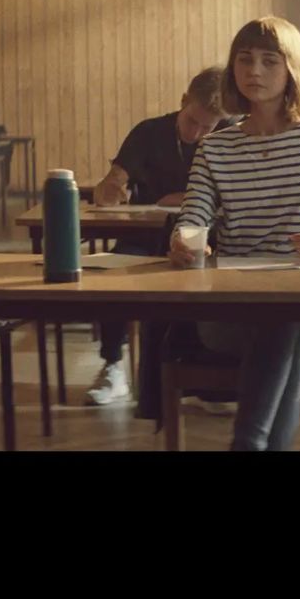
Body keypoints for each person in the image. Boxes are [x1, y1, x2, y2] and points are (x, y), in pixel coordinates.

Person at [171, 17, 300, 451]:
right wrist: (187, 240)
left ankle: (246, 443)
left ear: (292, 70)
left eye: (269, 61)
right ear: (232, 70)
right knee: (286, 331)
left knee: (288, 316)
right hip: (231, 307)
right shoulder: (216, 147)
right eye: (244, 60)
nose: (255, 71)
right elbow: (193, 218)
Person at [85, 66, 232, 406]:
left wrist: (183, 198)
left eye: (206, 127)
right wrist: (110, 188)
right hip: (145, 234)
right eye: (191, 121)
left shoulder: (229, 135)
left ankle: (210, 372)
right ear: (183, 101)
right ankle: (113, 365)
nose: (196, 134)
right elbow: (113, 182)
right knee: (113, 273)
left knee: (221, 278)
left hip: (204, 236)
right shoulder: (149, 132)